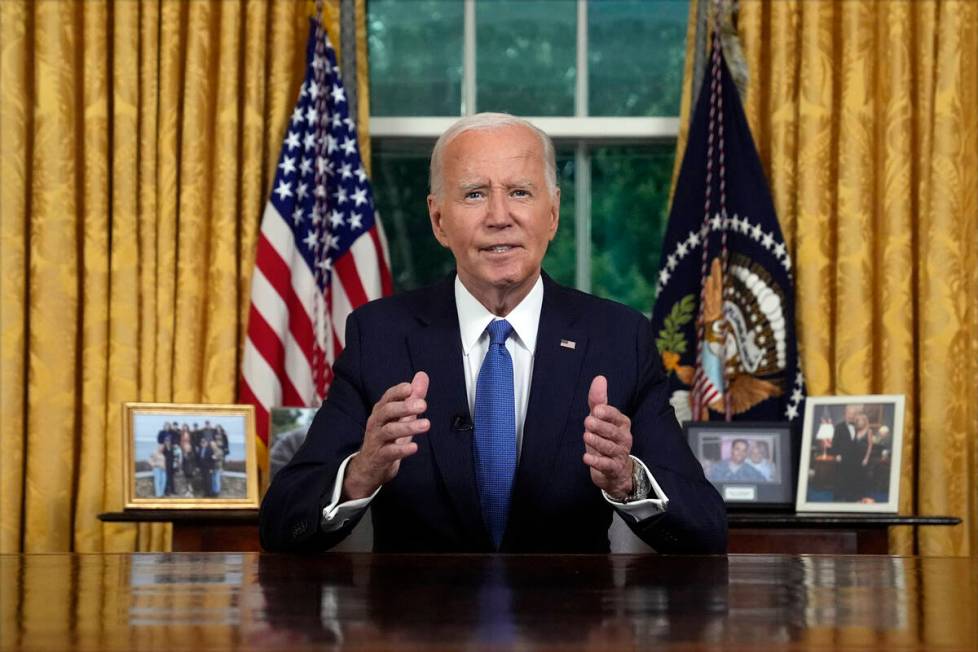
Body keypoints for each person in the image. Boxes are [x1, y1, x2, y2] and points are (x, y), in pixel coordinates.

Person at [259, 113, 727, 554]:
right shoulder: (379, 335)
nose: (499, 216)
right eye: (475, 194)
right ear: (439, 220)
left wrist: (629, 481)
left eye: (521, 192)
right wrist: (362, 472)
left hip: (569, 623)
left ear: (553, 214)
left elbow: (705, 527)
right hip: (419, 626)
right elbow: (282, 525)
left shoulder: (618, 337)